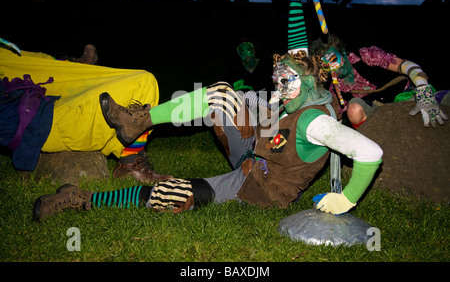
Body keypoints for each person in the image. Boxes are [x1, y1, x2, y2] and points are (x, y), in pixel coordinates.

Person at [33, 23, 384, 221]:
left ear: (307, 84)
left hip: (261, 187)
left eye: (285, 81)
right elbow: (296, 51)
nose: (278, 86)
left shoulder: (318, 123)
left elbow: (370, 152)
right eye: (277, 78)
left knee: (177, 193)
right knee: (219, 93)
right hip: (254, 153)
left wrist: (347, 199)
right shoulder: (302, 89)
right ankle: (138, 121)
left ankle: (83, 199)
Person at [286, 0, 448, 129]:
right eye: (326, 67)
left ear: (342, 52)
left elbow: (406, 65)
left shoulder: (366, 56)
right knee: (354, 110)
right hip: (378, 114)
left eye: (333, 59)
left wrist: (423, 88)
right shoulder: (335, 89)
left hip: (405, 96)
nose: (332, 68)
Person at [0, 39, 170, 183]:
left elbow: (28, 61)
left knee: (145, 81)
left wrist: (68, 65)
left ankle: (72, 66)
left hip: (49, 94)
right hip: (42, 121)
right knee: (141, 83)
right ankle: (131, 160)